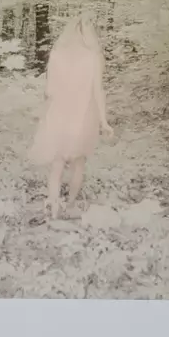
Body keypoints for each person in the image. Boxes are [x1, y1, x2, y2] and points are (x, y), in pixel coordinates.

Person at [30, 13, 113, 219]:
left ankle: (53, 204)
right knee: (78, 164)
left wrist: (44, 113)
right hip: (83, 114)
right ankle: (70, 205)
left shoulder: (57, 53)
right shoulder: (94, 56)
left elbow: (49, 90)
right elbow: (98, 91)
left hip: (59, 112)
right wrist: (103, 121)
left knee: (57, 163)